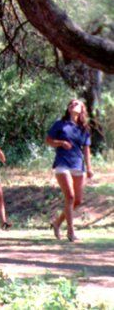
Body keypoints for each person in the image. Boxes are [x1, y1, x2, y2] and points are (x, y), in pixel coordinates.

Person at [46, 99, 93, 242]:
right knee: (70, 196)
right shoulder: (60, 124)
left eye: (76, 103)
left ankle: (57, 223)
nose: (73, 104)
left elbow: (86, 149)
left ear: (82, 109)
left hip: (78, 164)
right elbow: (48, 140)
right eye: (71, 103)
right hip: (62, 163)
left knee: (77, 200)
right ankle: (71, 232)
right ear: (68, 108)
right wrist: (60, 143)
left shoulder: (84, 128)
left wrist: (89, 168)